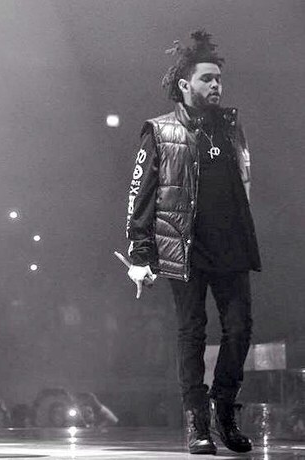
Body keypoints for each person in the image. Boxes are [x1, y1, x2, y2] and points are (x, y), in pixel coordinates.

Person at [125, 30, 261, 455]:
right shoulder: (159, 131)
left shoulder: (231, 126)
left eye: (218, 78)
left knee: (239, 329)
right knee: (192, 333)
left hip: (232, 244)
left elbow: (243, 182)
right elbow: (140, 195)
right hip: (184, 248)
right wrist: (140, 253)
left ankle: (223, 408)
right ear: (185, 85)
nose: (216, 85)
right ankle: (197, 421)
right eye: (207, 79)